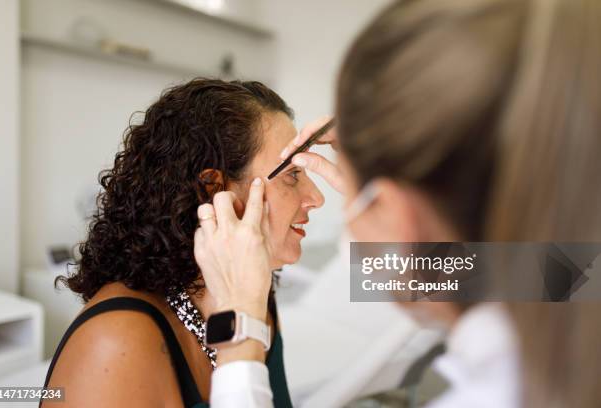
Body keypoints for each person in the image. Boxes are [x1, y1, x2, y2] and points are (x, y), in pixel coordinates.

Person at [195, 0, 601, 406]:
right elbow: (554, 271)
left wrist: (238, 332)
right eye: (294, 176)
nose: (319, 197)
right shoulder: (572, 283)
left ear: (394, 210)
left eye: (346, 186)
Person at [42, 79, 324, 407]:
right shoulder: (117, 341)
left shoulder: (255, 294)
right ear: (213, 190)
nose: (316, 197)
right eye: (292, 174)